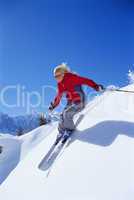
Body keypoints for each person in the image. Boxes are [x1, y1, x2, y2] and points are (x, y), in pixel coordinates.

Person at [49, 63, 104, 144]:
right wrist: (53, 105)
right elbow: (58, 96)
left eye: (58, 76)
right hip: (70, 102)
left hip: (80, 101)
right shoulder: (60, 84)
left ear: (63, 74)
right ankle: (61, 131)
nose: (56, 78)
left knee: (67, 114)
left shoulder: (72, 78)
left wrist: (96, 87)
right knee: (62, 115)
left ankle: (69, 129)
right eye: (55, 77)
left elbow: (87, 81)